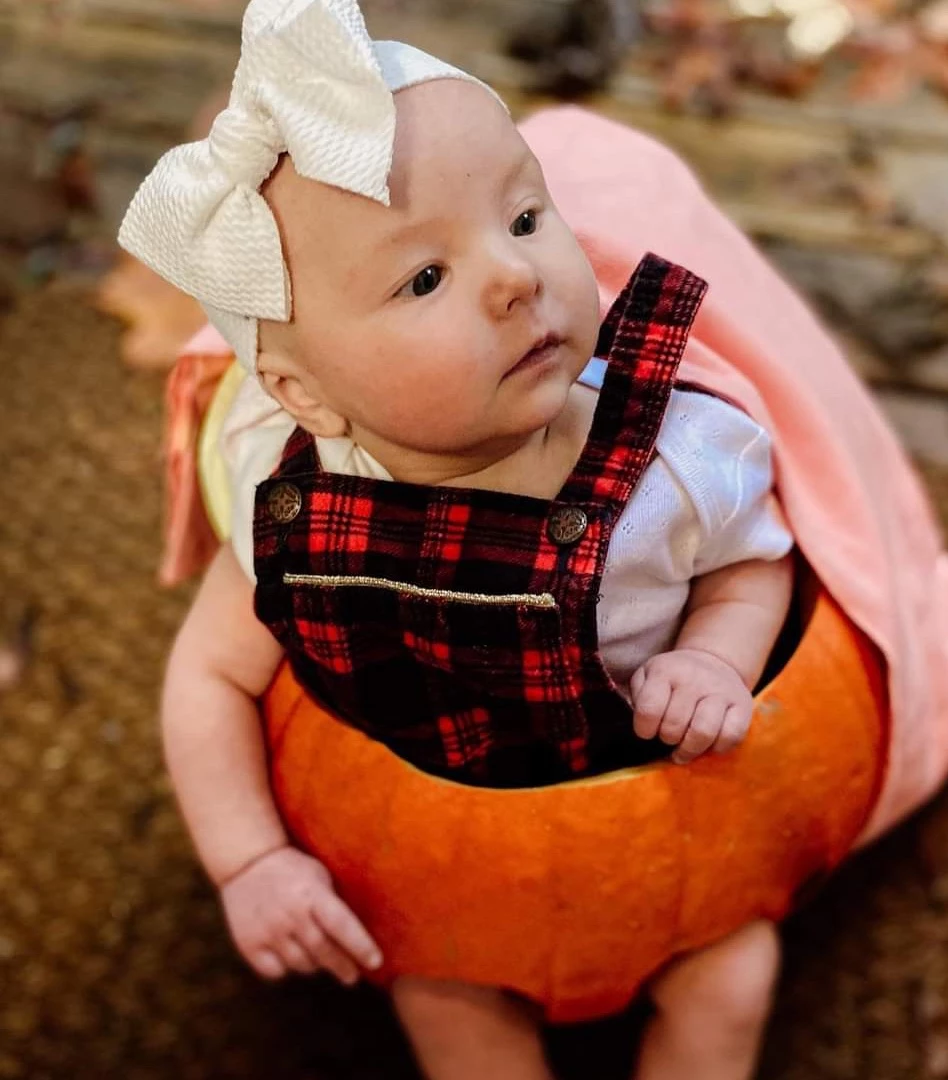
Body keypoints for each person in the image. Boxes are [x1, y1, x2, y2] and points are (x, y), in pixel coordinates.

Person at [119, 2, 798, 1077]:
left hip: (661, 815)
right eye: (423, 278)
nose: (513, 276)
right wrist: (250, 862)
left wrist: (716, 655)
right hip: (433, 859)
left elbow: (757, 562)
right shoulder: (295, 508)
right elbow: (208, 676)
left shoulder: (678, 455)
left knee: (732, 970)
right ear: (308, 395)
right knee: (444, 996)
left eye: (525, 218)